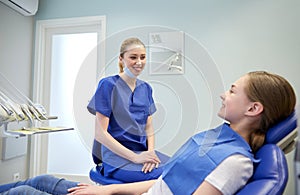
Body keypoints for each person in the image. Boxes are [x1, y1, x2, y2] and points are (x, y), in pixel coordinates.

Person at [0, 71, 296, 195]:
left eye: (232, 91)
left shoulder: (235, 162)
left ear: (253, 109)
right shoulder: (219, 136)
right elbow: (163, 183)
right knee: (41, 180)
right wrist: (107, 190)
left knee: (24, 192)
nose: (223, 95)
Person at [87, 37, 169, 183]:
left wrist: (149, 153)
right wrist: (135, 157)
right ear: (121, 59)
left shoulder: (146, 88)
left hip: (142, 152)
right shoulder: (108, 85)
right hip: (116, 159)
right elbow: (100, 134)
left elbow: (148, 127)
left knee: (179, 167)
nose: (139, 62)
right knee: (166, 176)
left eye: (143, 57)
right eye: (133, 57)